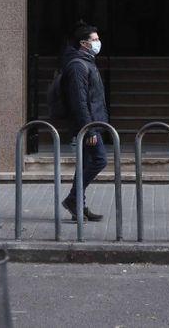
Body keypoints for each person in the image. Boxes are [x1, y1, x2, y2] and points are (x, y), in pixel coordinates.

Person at [60, 21, 109, 222]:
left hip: (92, 124)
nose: (98, 43)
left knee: (86, 164)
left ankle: (78, 203)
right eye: (94, 40)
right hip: (86, 127)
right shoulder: (78, 66)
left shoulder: (86, 62)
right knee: (99, 160)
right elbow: (80, 102)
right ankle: (73, 199)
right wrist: (89, 130)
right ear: (84, 43)